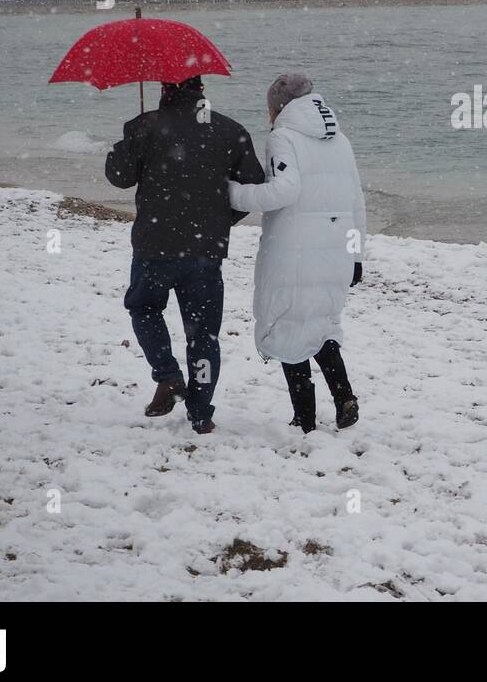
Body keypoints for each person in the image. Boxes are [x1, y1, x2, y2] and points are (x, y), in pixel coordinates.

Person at [105, 75, 264, 435]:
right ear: (201, 89)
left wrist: (131, 139)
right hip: (205, 251)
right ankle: (200, 411)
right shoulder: (230, 130)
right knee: (204, 335)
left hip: (154, 246)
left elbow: (118, 176)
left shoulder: (145, 126)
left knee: (144, 308)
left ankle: (168, 375)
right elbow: (253, 185)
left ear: (164, 89)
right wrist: (221, 220)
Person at [228, 72, 365, 435]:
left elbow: (284, 191)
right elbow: (356, 202)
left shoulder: (283, 137)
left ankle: (304, 417)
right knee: (321, 325)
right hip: (336, 250)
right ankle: (344, 397)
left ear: (278, 107)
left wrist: (234, 194)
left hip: (295, 252)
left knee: (289, 328)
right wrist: (356, 254)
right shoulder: (341, 141)